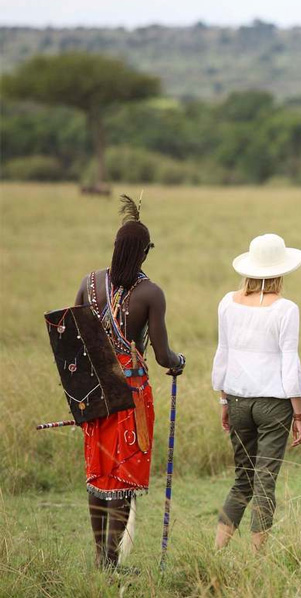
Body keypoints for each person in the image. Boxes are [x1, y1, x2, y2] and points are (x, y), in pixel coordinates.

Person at [73, 195, 185, 570]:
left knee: (99, 474)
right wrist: (179, 363)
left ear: (116, 247)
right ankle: (112, 562)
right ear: (145, 253)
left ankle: (101, 557)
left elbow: (73, 340)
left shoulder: (89, 283)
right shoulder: (150, 293)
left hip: (93, 393)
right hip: (131, 396)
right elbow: (162, 356)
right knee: (123, 475)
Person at [212, 233, 301, 551]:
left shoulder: (227, 302)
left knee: (243, 477)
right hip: (274, 403)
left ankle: (218, 550)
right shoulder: (286, 309)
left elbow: (222, 352)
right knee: (265, 479)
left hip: (237, 398)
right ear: (280, 272)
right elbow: (289, 360)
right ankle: (258, 557)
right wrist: (299, 413)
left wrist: (223, 399)